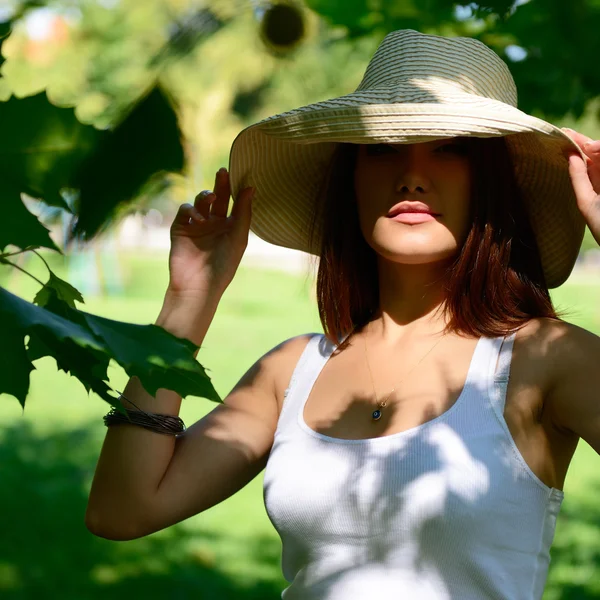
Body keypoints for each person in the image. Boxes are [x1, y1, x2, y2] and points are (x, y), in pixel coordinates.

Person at [86, 29, 600, 599]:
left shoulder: (547, 359)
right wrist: (189, 302)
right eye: (383, 147)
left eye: (449, 148)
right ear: (350, 180)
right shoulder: (292, 370)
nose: (411, 174)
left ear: (490, 186)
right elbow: (122, 510)